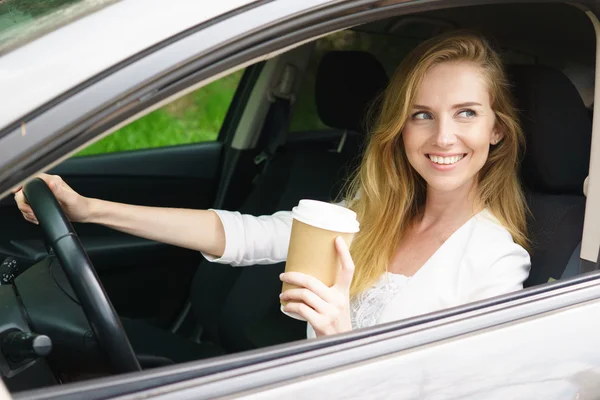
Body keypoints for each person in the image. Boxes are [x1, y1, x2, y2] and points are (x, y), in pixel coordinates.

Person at [14, 31, 531, 340]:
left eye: (466, 113)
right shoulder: (367, 212)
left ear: (497, 128)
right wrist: (90, 209)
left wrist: (338, 335)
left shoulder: (494, 261)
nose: (443, 136)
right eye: (422, 115)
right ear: (401, 127)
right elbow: (245, 236)